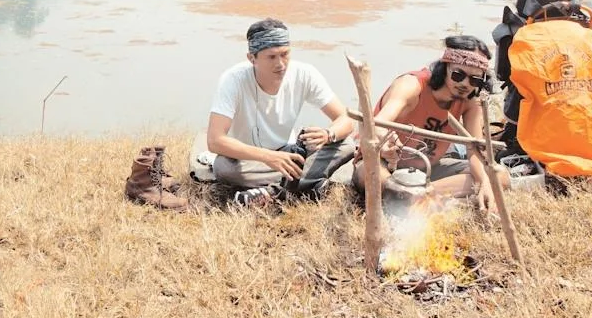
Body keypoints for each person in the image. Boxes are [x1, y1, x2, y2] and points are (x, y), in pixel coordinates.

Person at [493, 0, 592, 180]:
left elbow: (512, 112)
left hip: (543, 148)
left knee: (503, 157)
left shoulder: (525, 39)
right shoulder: (589, 37)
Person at [206, 18, 355, 208]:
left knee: (347, 145)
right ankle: (305, 185)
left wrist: (327, 134)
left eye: (285, 54)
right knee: (224, 168)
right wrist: (268, 157)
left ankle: (277, 191)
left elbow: (346, 119)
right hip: (250, 159)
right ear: (252, 58)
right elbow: (215, 140)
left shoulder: (305, 74)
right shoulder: (233, 80)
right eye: (271, 57)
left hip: (289, 152)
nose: (280, 64)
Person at [355, 35, 508, 210]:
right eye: (458, 75)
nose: (465, 84)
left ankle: (421, 196)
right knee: (372, 175)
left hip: (428, 171)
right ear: (445, 68)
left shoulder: (470, 101)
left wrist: (484, 182)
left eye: (474, 80)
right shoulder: (412, 85)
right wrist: (386, 144)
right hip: (385, 166)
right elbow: (377, 125)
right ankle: (418, 198)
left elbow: (474, 150)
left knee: (500, 176)